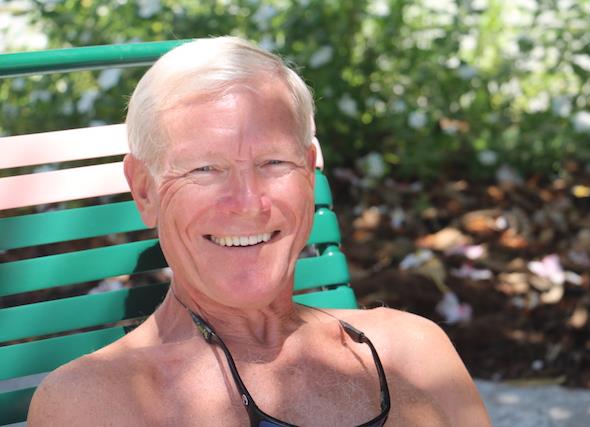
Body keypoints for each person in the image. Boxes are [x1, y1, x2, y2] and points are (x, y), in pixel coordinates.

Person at [27, 36, 490, 426]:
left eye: (274, 162)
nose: (248, 202)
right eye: (205, 169)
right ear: (144, 191)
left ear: (309, 173)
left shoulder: (413, 352)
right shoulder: (98, 403)